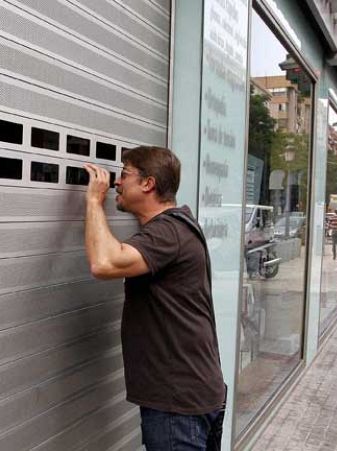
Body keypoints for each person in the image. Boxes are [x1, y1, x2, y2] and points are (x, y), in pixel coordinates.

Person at [82, 146, 226, 451]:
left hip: (178, 404)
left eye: (124, 175)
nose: (116, 183)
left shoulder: (168, 233)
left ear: (148, 184)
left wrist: (94, 201)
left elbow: (104, 263)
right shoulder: (178, 225)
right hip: (196, 392)